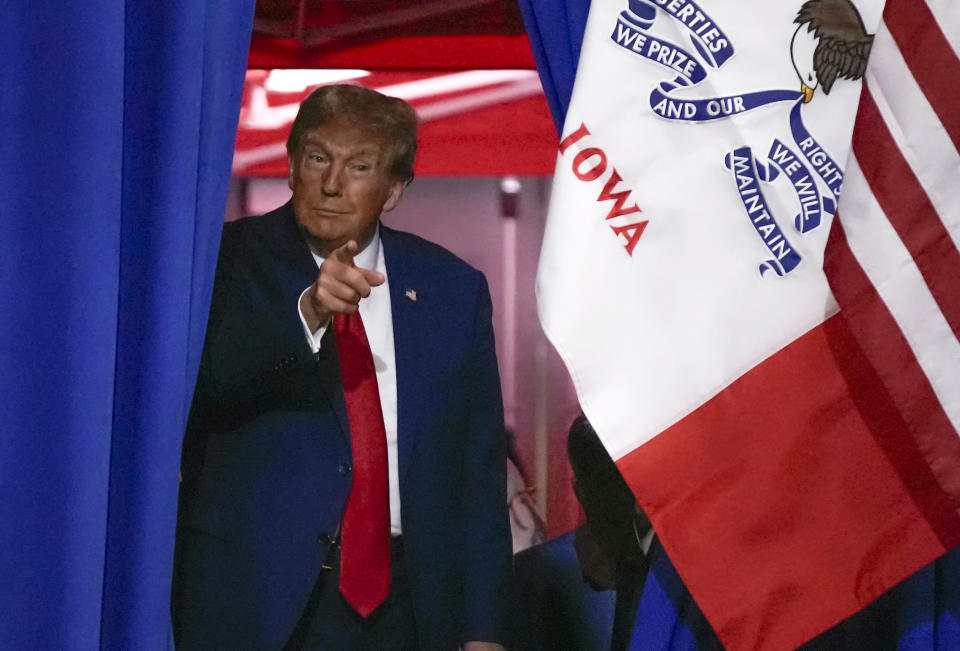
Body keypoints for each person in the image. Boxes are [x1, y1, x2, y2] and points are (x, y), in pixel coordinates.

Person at [172, 84, 512, 651]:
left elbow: (477, 474)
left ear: (395, 189)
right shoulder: (218, 262)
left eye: (359, 166)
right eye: (317, 158)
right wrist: (306, 313)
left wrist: (484, 628)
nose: (332, 184)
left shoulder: (453, 290)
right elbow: (197, 390)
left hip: (409, 608)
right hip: (257, 603)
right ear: (290, 167)